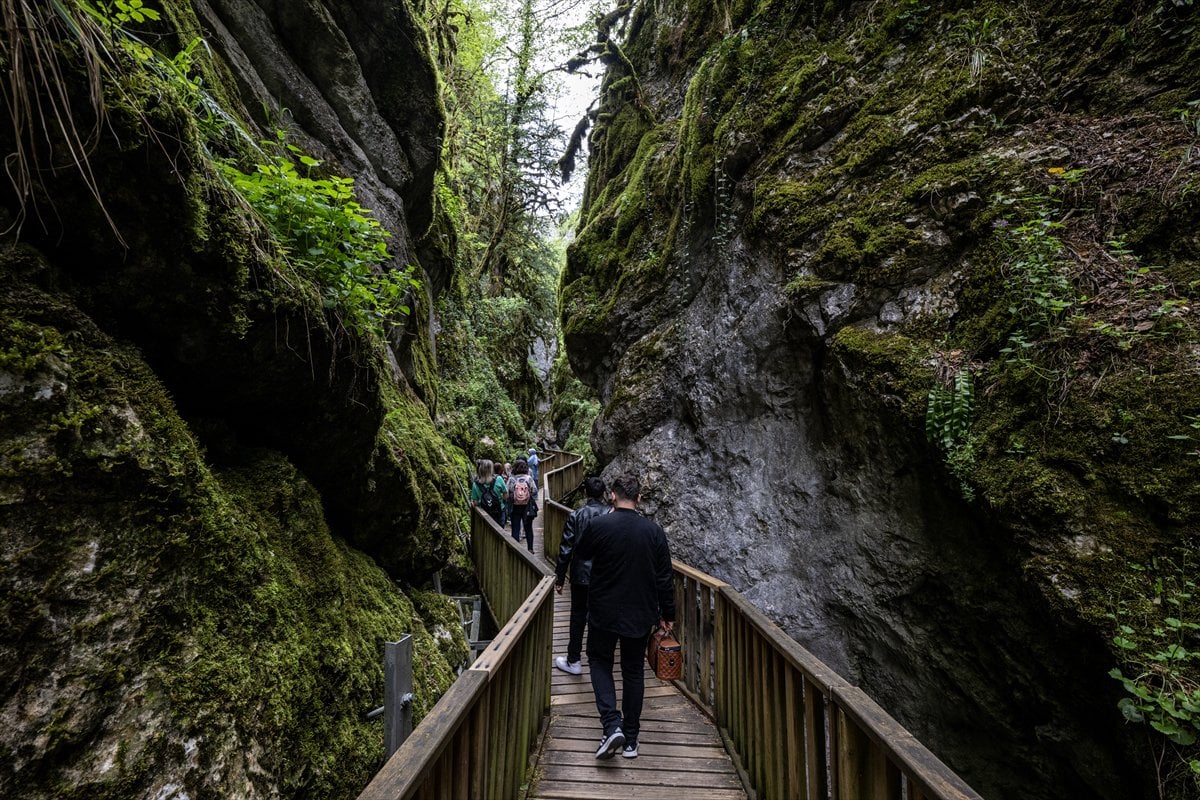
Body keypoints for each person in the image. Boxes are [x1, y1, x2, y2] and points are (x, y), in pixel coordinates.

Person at [575, 475, 675, 760]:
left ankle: (611, 725)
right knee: (632, 670)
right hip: (640, 612)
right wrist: (668, 614)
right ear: (639, 499)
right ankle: (630, 739)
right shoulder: (654, 532)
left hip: (603, 610)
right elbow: (664, 577)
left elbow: (582, 554)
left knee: (599, 660)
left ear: (613, 497)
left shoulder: (600, 525)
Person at [553, 477, 609, 676]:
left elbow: (566, 549)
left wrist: (560, 578)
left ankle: (574, 660)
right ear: (604, 493)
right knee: (601, 616)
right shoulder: (611, 515)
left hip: (581, 576)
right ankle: (600, 661)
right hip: (605, 576)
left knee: (578, 617)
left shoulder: (577, 515)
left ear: (585, 493)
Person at [507, 458, 538, 553]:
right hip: (527, 507)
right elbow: (534, 491)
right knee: (528, 528)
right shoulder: (529, 478)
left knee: (515, 528)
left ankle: (515, 549)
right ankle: (530, 549)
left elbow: (507, 491)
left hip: (515, 506)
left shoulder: (512, 479)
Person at [469, 459, 506, 524]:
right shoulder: (499, 479)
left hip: (485, 514)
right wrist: (499, 498)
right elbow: (506, 495)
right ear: (491, 469)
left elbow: (475, 502)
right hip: (499, 511)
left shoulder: (476, 484)